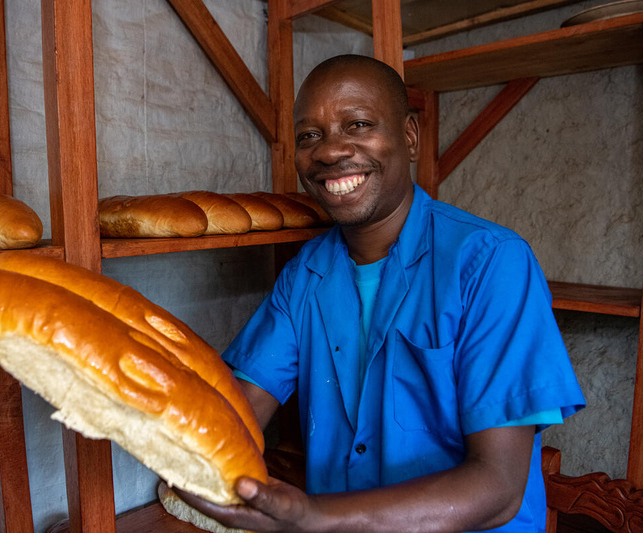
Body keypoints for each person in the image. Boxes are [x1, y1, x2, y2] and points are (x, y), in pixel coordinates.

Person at [175, 54, 585, 532]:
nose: (329, 152)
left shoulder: (490, 262)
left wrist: (315, 517)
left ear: (409, 136)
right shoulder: (306, 274)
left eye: (358, 124)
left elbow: (498, 487)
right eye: (310, 136)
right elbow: (234, 417)